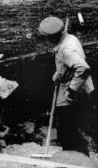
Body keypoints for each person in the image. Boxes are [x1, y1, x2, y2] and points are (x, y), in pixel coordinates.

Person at [38, 16, 94, 155]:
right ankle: (76, 154)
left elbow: (83, 67)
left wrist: (71, 90)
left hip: (73, 91)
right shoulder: (69, 38)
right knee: (69, 128)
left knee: (66, 133)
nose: (46, 40)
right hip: (73, 83)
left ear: (53, 37)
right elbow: (68, 65)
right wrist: (59, 73)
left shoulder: (66, 48)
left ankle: (75, 159)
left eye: (47, 37)